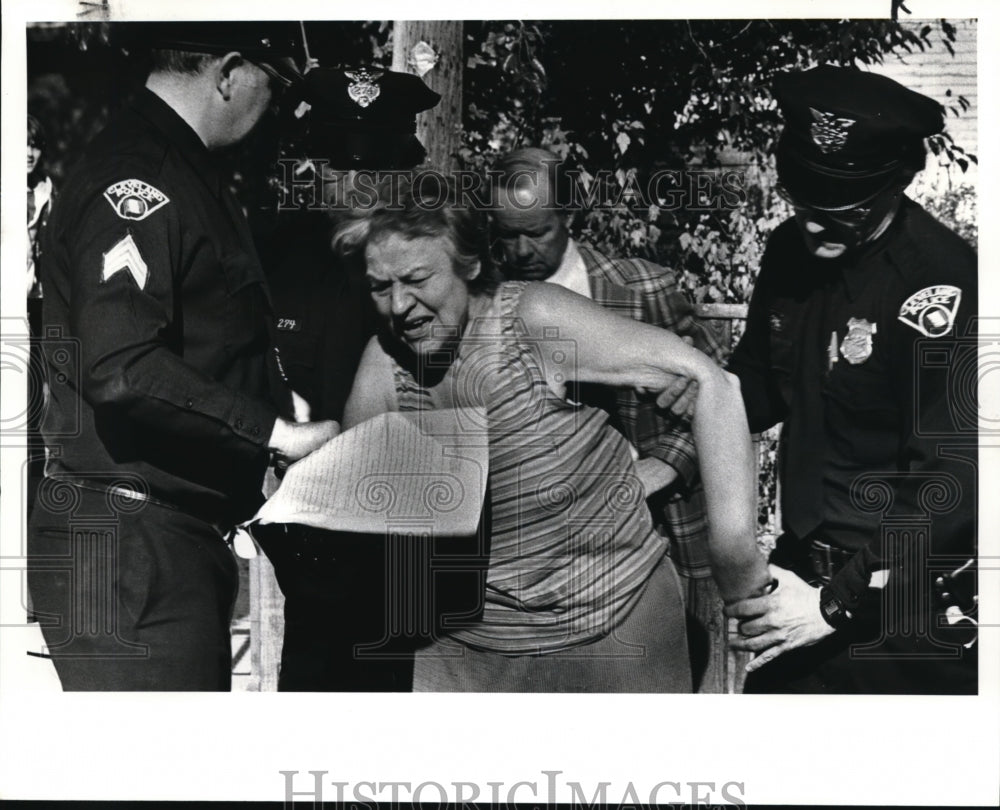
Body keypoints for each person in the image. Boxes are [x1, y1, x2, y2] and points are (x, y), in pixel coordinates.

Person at [337, 175, 772, 692]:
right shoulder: (385, 363)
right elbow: (349, 505)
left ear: (469, 265)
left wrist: (735, 556)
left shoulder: (531, 319)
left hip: (614, 622)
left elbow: (710, 380)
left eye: (417, 279)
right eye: (380, 287)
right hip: (472, 640)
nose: (400, 306)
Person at [28, 23, 339, 691]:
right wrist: (275, 432)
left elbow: (204, 346)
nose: (275, 105)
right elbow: (122, 365)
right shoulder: (142, 178)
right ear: (229, 72)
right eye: (274, 83)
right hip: (130, 548)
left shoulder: (179, 170)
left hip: (154, 542)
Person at [726, 65, 978, 694]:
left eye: (840, 211)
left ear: (898, 181)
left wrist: (835, 606)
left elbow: (952, 483)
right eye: (803, 202)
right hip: (798, 577)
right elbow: (757, 384)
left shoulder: (941, 285)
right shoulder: (790, 251)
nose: (812, 226)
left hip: (903, 605)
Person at [490, 148, 729, 684]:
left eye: (537, 232)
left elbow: (722, 396)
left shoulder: (642, 290)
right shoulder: (481, 302)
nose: (521, 250)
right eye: (506, 234)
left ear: (568, 215)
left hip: (655, 547)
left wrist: (663, 467)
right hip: (532, 573)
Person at [255, 66, 441, 691]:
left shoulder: (439, 262)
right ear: (318, 166)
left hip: (415, 560)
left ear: (404, 168)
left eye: (377, 166)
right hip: (311, 553)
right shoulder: (276, 256)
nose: (359, 182)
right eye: (341, 163)